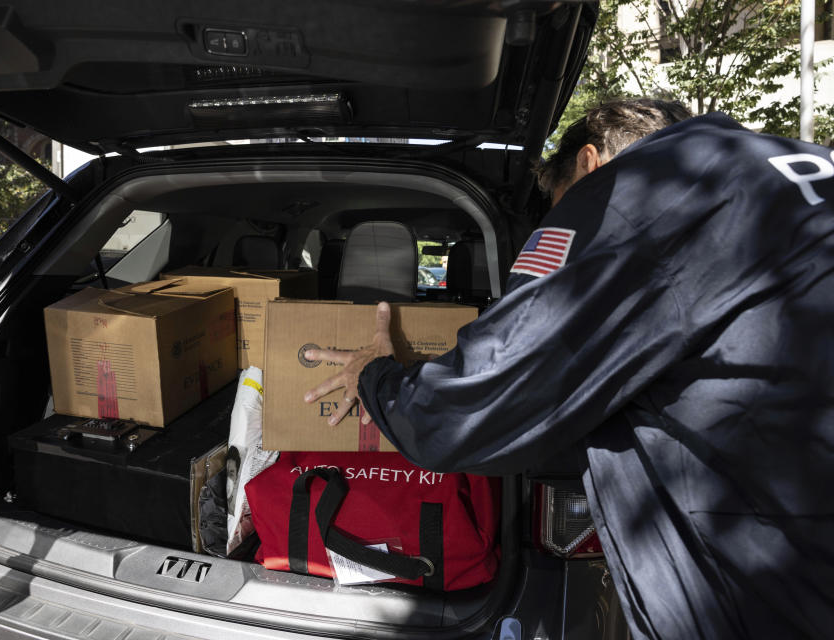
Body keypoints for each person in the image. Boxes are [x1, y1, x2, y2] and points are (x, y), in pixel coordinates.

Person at [303, 98, 834, 639]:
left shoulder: (635, 193)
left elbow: (472, 404)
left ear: (588, 164)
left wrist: (376, 376)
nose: (565, 220)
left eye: (559, 207)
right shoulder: (801, 166)